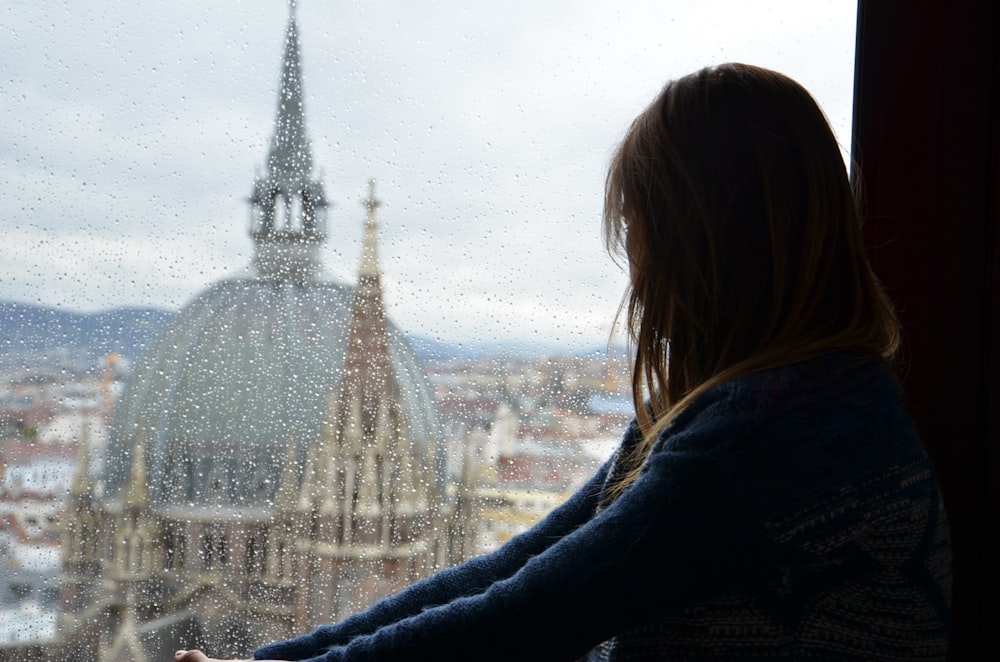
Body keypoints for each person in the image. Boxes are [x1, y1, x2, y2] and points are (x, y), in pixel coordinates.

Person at [174, 63, 952, 662]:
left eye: (643, 240)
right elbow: (526, 564)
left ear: (706, 253)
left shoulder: (765, 439)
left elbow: (527, 614)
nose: (638, 279)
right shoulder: (800, 400)